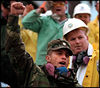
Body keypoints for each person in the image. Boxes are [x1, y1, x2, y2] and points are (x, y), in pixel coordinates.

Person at [5, 11, 81, 87]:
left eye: (67, 55)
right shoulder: (33, 72)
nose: (64, 57)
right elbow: (16, 49)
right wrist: (13, 16)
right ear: (48, 58)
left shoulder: (72, 83)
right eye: (59, 53)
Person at [22, 1, 70, 65]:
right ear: (50, 7)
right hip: (42, 63)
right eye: (55, 3)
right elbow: (26, 22)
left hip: (63, 65)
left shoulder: (71, 23)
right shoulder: (44, 21)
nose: (58, 5)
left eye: (61, 3)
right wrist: (41, 9)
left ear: (66, 7)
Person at [63, 18, 99, 87]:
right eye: (73, 39)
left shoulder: (98, 58)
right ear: (67, 43)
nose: (77, 42)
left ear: (87, 38)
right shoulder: (64, 61)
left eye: (80, 37)